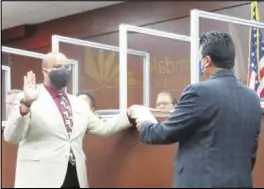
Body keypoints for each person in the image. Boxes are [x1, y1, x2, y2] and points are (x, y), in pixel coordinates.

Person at [132, 31, 262, 188]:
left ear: (207, 61)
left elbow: (164, 133)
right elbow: (251, 153)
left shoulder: (198, 92)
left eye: (200, 58)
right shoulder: (253, 98)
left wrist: (144, 120)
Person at [4, 52, 132, 188]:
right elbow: (11, 137)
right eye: (58, 67)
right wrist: (26, 104)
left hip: (74, 177)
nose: (64, 71)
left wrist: (129, 115)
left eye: (67, 67)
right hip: (40, 178)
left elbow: (103, 129)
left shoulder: (79, 103)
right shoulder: (28, 98)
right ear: (45, 71)